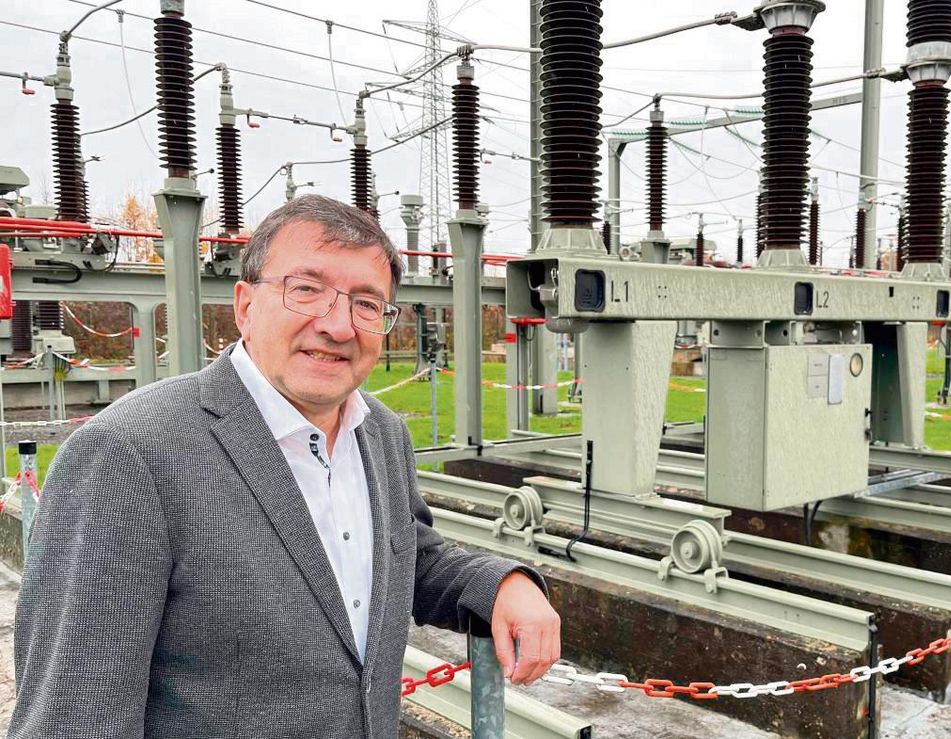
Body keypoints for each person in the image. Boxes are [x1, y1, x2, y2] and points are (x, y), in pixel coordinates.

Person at [10, 195, 560, 738]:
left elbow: (403, 558)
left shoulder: (381, 432)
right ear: (245, 306)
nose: (339, 326)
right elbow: (73, 712)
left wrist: (502, 584)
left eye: (367, 304)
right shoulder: (130, 453)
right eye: (306, 290)